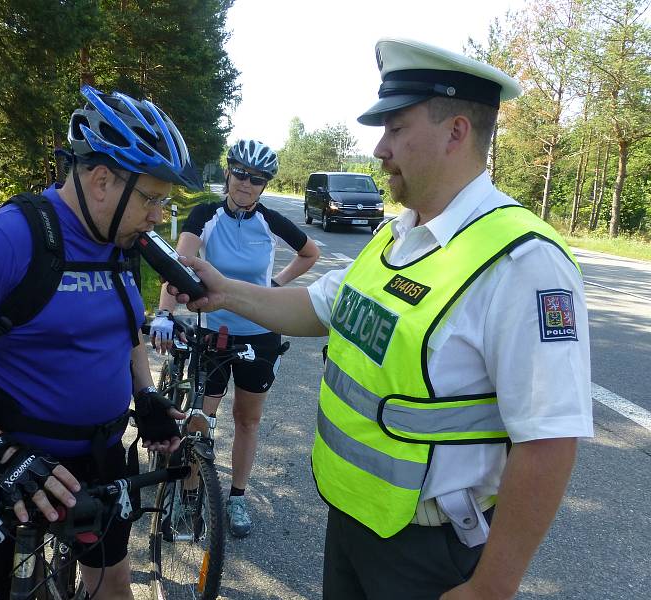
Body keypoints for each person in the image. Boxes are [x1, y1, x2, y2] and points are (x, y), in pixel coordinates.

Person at [166, 38, 593, 599]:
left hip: (427, 556)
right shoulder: (398, 235)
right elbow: (317, 307)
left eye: (395, 128)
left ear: (455, 131)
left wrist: (491, 588)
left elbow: (550, 438)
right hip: (351, 522)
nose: (378, 147)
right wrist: (226, 294)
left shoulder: (523, 263)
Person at [0, 85, 204, 600]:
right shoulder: (4, 241)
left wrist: (145, 396)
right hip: (16, 466)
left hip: (100, 460)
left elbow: (125, 326)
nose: (159, 216)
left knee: (113, 586)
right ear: (102, 180)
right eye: (154, 198)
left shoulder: (119, 241)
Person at [150, 138, 320, 537]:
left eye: (257, 179)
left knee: (248, 418)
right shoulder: (206, 214)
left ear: (264, 185)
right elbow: (181, 265)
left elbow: (309, 253)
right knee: (200, 418)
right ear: (228, 172)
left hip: (260, 334)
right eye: (241, 173)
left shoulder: (270, 220)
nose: (246, 183)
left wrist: (274, 288)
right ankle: (191, 495)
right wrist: (163, 313)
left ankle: (237, 497)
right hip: (215, 331)